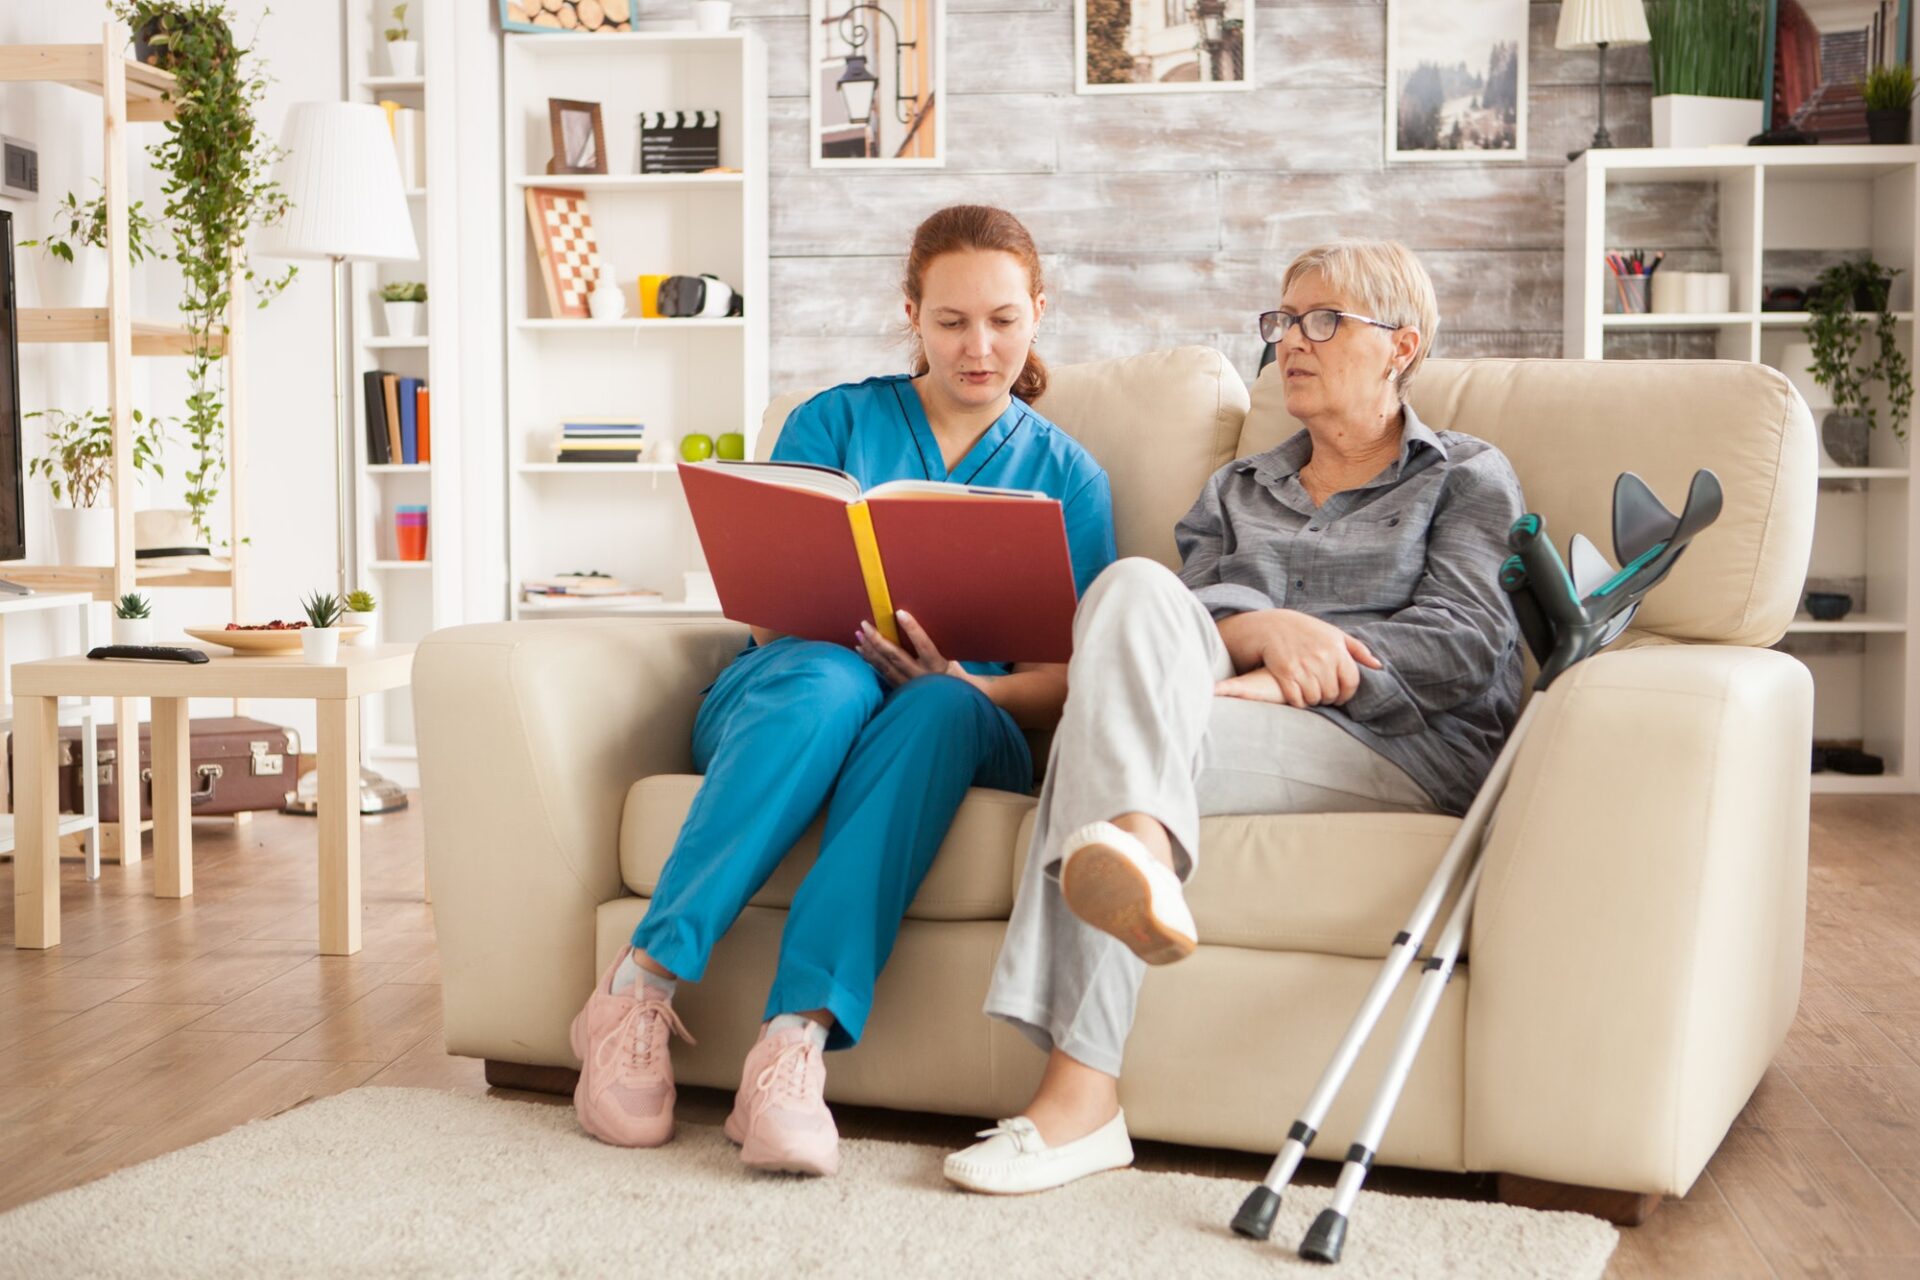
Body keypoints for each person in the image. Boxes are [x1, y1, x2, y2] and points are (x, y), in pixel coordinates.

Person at [944, 239, 1526, 1195]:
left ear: (1401, 346)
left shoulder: (1465, 475)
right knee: (1129, 588)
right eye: (1284, 320)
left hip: (1397, 743)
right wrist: (1265, 629)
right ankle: (1137, 851)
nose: (1292, 341)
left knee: (1108, 726)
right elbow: (1184, 618)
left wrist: (1302, 670)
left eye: (1324, 320)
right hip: (1223, 709)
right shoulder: (1237, 488)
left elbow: (1464, 644)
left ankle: (1081, 1094)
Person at [570, 205, 1117, 1178]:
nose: (977, 346)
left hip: (961, 720)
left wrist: (961, 678)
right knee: (827, 677)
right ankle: (636, 988)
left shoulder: (1068, 477)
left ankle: (792, 1046)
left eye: (1001, 319)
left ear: (1039, 312)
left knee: (944, 704)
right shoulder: (833, 419)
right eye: (949, 321)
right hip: (797, 684)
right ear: (912, 313)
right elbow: (768, 608)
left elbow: (1072, 679)